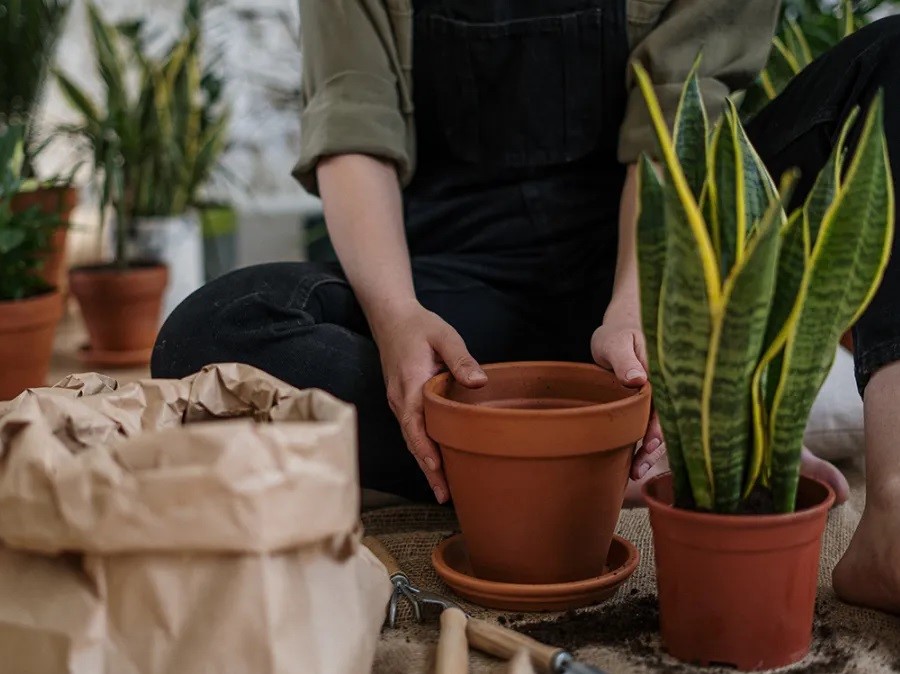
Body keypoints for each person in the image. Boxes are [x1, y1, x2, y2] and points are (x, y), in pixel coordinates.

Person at [151, 1, 900, 613]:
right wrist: (397, 318)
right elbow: (355, 127)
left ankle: (891, 512)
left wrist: (637, 315)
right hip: (460, 290)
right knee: (212, 333)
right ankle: (603, 456)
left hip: (668, 255)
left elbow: (679, 123)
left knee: (892, 56)